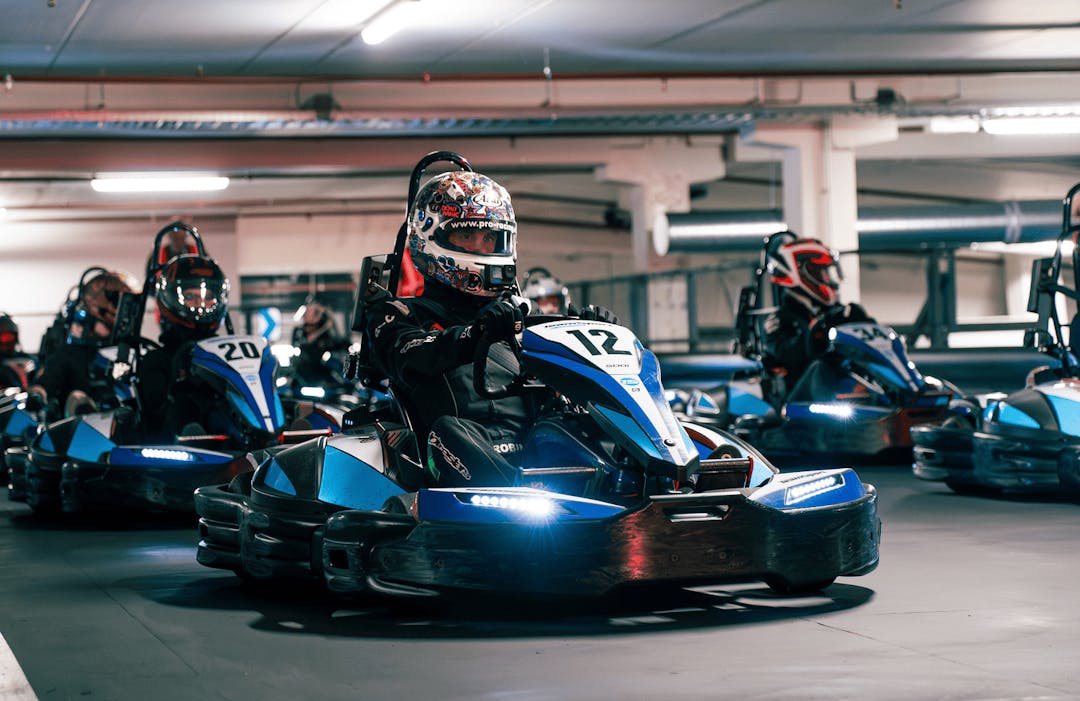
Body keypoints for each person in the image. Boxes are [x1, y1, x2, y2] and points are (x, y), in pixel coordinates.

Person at [364, 168, 616, 488]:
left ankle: (637, 483)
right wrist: (477, 334)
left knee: (572, 426)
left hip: (535, 445)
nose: (482, 248)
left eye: (490, 238)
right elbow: (412, 355)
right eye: (468, 236)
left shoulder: (521, 314)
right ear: (430, 239)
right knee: (450, 432)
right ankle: (515, 499)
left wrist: (594, 338)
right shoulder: (397, 313)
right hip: (451, 451)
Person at [759, 233, 871, 399]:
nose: (828, 279)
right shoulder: (779, 321)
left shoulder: (845, 313)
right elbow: (786, 356)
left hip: (846, 393)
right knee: (820, 368)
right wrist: (812, 333)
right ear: (803, 274)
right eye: (822, 272)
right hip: (803, 403)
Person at [137, 253, 230, 437]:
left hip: (231, 432)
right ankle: (195, 438)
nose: (200, 304)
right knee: (185, 404)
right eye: (190, 296)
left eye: (207, 296)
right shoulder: (158, 359)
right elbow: (154, 412)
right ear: (170, 297)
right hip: (179, 441)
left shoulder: (226, 351)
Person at [28, 269, 139, 421]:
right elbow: (46, 382)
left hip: (128, 429)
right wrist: (37, 394)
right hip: (81, 434)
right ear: (96, 306)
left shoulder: (134, 351)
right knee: (78, 399)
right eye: (118, 303)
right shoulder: (71, 353)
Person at [290, 299, 350, 389]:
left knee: (340, 384)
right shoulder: (299, 330)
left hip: (320, 368)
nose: (311, 314)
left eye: (315, 312)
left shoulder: (324, 334)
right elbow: (306, 341)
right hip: (302, 371)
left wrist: (329, 315)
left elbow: (336, 343)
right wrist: (324, 328)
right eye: (309, 312)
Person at [0, 314, 36, 390]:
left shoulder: (26, 358)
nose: (5, 342)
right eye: (3, 338)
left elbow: (35, 362)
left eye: (8, 337)